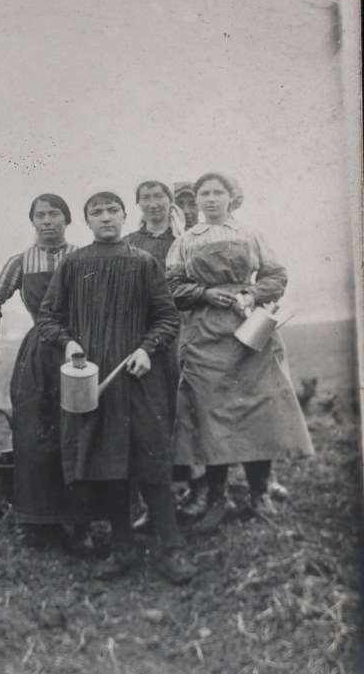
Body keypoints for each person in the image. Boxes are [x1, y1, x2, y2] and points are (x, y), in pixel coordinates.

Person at [35, 191, 197, 584]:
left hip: (139, 378)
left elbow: (167, 318)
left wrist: (146, 349)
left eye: (112, 211)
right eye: (97, 212)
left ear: (125, 216)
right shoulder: (74, 264)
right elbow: (48, 317)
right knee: (107, 464)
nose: (105, 217)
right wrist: (68, 344)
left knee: (152, 460)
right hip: (93, 380)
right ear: (87, 221)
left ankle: (173, 550)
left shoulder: (143, 263)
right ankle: (122, 548)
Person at [166, 172, 314, 532]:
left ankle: (259, 494)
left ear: (231, 197)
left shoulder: (250, 234)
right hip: (204, 337)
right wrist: (203, 293)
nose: (211, 199)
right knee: (210, 417)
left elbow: (276, 276)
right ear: (196, 200)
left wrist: (251, 293)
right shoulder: (185, 241)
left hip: (250, 333)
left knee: (258, 412)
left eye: (218, 192)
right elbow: (171, 286)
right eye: (204, 193)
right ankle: (218, 499)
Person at [0, 193, 94, 554]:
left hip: (80, 352)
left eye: (55, 214)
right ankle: (37, 523)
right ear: (33, 222)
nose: (47, 221)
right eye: (40, 215)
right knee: (34, 434)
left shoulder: (84, 257)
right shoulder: (20, 262)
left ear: (67, 220)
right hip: (38, 355)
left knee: (80, 432)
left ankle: (81, 523)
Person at [124, 181, 206, 523]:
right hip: (143, 338)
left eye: (159, 197)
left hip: (183, 334)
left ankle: (199, 490)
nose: (153, 203)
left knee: (186, 409)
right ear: (138, 204)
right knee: (148, 415)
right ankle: (155, 498)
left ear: (170, 202)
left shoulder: (186, 239)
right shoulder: (129, 243)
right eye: (146, 198)